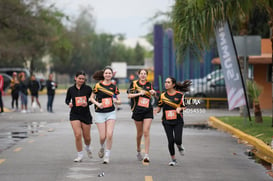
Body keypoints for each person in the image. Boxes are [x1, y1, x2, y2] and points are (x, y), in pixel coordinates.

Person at [155, 77, 191, 166]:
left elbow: (184, 107)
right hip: (166, 121)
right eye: (165, 82)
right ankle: (173, 159)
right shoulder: (162, 95)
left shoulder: (180, 95)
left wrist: (180, 108)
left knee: (178, 140)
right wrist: (156, 110)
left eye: (168, 82)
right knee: (170, 141)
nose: (166, 84)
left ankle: (179, 146)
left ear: (173, 85)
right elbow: (159, 107)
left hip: (178, 121)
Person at [90, 66, 121, 164]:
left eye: (109, 73)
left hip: (111, 112)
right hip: (99, 113)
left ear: (112, 75)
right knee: (103, 137)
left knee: (110, 134)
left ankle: (107, 156)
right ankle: (102, 147)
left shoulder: (114, 87)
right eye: (106, 73)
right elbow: (91, 98)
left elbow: (119, 100)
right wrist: (98, 104)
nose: (108, 75)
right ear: (103, 74)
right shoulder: (98, 86)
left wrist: (116, 101)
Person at [127, 69, 156, 163]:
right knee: (139, 133)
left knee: (146, 131)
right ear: (138, 75)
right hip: (137, 110)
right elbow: (129, 95)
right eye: (141, 74)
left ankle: (147, 155)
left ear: (146, 76)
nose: (143, 75)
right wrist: (139, 93)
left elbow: (153, 95)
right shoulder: (134, 83)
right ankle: (138, 151)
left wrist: (153, 93)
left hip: (148, 110)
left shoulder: (149, 84)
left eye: (145, 74)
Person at [65, 71, 93, 162]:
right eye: (79, 78)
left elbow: (92, 100)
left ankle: (87, 147)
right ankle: (80, 155)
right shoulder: (71, 89)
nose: (81, 80)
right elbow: (67, 100)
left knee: (87, 137)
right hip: (74, 114)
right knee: (77, 135)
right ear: (75, 78)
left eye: (83, 79)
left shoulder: (88, 89)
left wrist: (87, 103)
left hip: (85, 114)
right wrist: (69, 103)